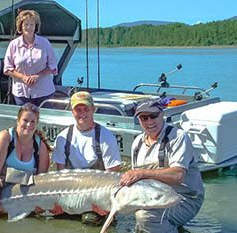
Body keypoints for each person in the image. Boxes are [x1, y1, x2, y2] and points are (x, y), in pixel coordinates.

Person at [119, 99, 204, 233]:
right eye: (144, 118)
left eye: (153, 116)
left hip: (183, 198)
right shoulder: (137, 144)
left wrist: (142, 173)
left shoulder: (177, 136)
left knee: (145, 216)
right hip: (153, 196)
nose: (149, 122)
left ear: (162, 114)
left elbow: (178, 175)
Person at [0, 102, 51, 216]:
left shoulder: (40, 147)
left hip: (19, 190)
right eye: (25, 120)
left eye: (33, 122)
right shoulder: (5, 137)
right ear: (18, 121)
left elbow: (41, 181)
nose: (28, 125)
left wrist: (39, 204)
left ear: (37, 124)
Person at [52, 91, 121, 172]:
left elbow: (111, 175)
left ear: (93, 109)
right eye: (78, 110)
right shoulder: (63, 138)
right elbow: (60, 173)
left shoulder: (107, 137)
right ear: (72, 111)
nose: (82, 113)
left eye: (86, 109)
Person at [4, 9, 58, 106]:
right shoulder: (14, 45)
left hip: (44, 92)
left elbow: (52, 65)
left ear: (35, 26)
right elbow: (7, 68)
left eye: (31, 24)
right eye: (26, 24)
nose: (29, 27)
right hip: (22, 93)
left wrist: (38, 76)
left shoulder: (45, 43)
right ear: (21, 26)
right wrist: (23, 77)